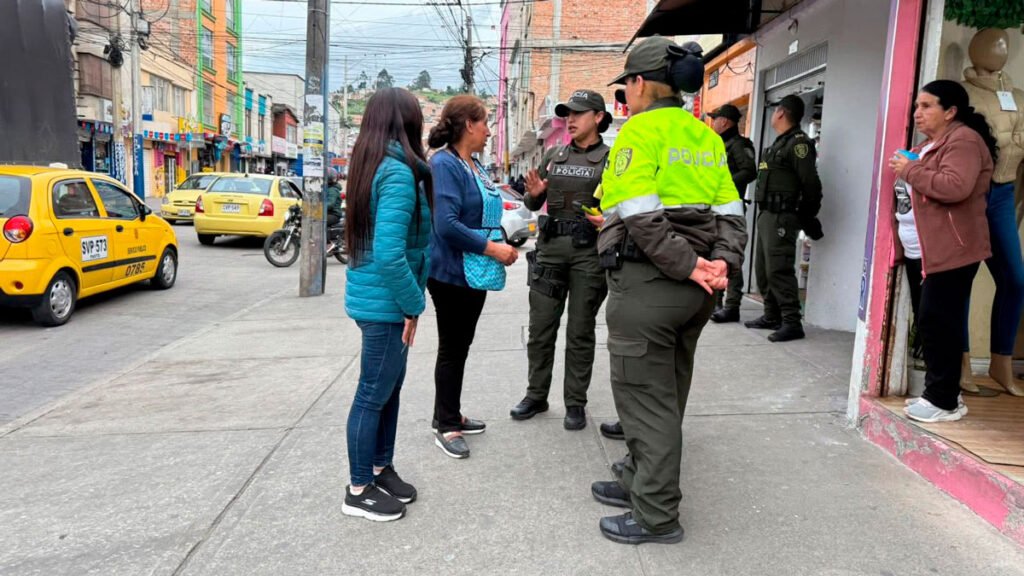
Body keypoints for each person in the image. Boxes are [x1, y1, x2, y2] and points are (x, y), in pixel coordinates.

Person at [589, 36, 746, 545]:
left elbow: (638, 213)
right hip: (694, 295)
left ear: (638, 83)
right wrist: (721, 263)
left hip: (651, 285)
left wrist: (687, 265)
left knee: (644, 400)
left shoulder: (640, 132)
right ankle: (638, 480)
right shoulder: (705, 137)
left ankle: (655, 515)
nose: (624, 99)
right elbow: (731, 210)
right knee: (667, 394)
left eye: (625, 87)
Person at [342, 88, 433, 522]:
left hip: (381, 299)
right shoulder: (396, 172)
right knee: (372, 395)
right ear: (406, 123)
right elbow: (390, 253)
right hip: (386, 304)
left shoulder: (372, 164)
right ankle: (359, 488)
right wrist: (414, 305)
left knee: (388, 390)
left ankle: (380, 467)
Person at [890, 80, 995, 423]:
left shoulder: (963, 140)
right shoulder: (931, 144)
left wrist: (911, 170)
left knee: (939, 321)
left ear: (950, 112)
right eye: (917, 106)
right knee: (932, 321)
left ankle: (943, 400)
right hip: (924, 251)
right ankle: (942, 394)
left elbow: (955, 186)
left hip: (952, 249)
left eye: (927, 106)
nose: (917, 113)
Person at [509, 89, 610, 430]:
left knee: (581, 331)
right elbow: (532, 201)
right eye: (568, 113)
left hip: (588, 254)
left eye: (579, 113)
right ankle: (536, 395)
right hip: (551, 250)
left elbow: (620, 207)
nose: (571, 118)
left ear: (598, 117)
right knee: (540, 329)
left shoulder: (611, 160)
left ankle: (575, 403)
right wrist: (534, 195)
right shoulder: (553, 154)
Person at [427, 95, 519, 459]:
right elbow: (445, 225)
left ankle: (450, 412)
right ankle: (445, 425)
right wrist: (493, 249)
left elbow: (486, 209)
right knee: (452, 347)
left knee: (461, 345)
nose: (489, 131)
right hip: (451, 272)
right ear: (468, 124)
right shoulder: (445, 165)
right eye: (485, 123)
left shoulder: (475, 165)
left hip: (474, 271)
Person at [745, 94, 823, 342]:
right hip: (768, 214)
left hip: (782, 217)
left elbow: (811, 184)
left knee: (779, 269)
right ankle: (772, 315)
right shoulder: (780, 143)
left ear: (780, 112)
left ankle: (791, 321)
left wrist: (806, 216)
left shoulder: (798, 144)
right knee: (764, 269)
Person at [708, 104, 757, 323]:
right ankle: (715, 303)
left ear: (725, 121)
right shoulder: (718, 143)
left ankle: (732, 305)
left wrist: (724, 185)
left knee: (731, 257)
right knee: (715, 254)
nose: (713, 122)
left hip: (731, 208)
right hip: (716, 207)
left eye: (715, 118)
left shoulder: (739, 144)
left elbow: (749, 171)